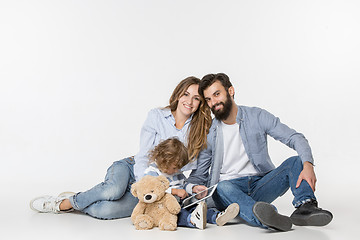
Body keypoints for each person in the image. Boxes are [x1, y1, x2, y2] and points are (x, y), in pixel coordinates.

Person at [30, 76, 212, 220]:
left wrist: (190, 188)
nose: (190, 101)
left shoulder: (201, 130)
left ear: (200, 103)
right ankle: (64, 203)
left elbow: (197, 172)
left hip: (161, 187)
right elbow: (143, 157)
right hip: (135, 169)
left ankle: (87, 198)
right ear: (178, 94)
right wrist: (144, 186)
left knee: (106, 210)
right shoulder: (157, 116)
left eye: (196, 98)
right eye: (186, 94)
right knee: (113, 191)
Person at [185, 73, 333, 231]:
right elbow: (199, 174)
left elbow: (294, 137)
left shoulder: (257, 116)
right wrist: (187, 189)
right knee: (222, 186)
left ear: (231, 91)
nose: (213, 102)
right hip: (228, 193)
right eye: (208, 99)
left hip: (259, 185)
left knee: (296, 161)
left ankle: (305, 207)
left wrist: (308, 164)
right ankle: (266, 217)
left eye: (217, 94)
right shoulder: (210, 132)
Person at [144, 137, 239, 230]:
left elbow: (183, 185)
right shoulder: (152, 172)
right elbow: (152, 192)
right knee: (179, 213)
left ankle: (216, 217)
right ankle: (192, 220)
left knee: (196, 206)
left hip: (182, 203)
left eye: (179, 168)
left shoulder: (176, 172)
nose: (177, 170)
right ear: (164, 161)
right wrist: (175, 191)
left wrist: (193, 188)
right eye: (174, 168)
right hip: (164, 207)